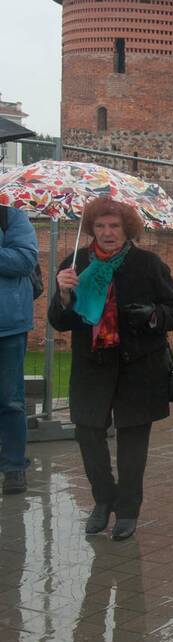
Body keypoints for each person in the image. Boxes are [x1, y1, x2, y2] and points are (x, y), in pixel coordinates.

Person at [48, 198, 173, 541]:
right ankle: (103, 499)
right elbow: (60, 322)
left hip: (138, 366)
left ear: (127, 229)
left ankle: (127, 510)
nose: (107, 233)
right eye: (100, 226)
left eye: (114, 226)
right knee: (87, 434)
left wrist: (152, 315)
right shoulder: (75, 264)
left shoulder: (147, 264)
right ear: (91, 228)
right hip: (92, 364)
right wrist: (63, 295)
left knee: (132, 442)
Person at [1, 205, 39, 495]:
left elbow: (25, 260)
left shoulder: (10, 216)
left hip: (7, 325)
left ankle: (14, 466)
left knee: (10, 399)